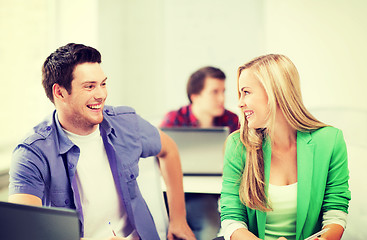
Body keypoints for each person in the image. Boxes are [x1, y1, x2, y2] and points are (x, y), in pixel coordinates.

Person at [8, 43, 196, 240]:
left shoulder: (126, 122)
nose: (101, 95)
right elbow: (26, 232)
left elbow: (169, 150)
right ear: (60, 93)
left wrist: (178, 219)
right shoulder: (32, 153)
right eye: (90, 86)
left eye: (103, 84)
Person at [220, 54, 351, 240]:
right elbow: (231, 220)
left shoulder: (330, 141)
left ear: (274, 91)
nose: (240, 103)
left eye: (246, 92)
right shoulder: (237, 145)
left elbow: (336, 212)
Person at [161, 66, 239, 240]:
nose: (222, 98)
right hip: (173, 194)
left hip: (208, 195)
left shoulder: (232, 121)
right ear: (195, 96)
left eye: (223, 91)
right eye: (214, 92)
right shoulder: (173, 119)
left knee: (209, 230)